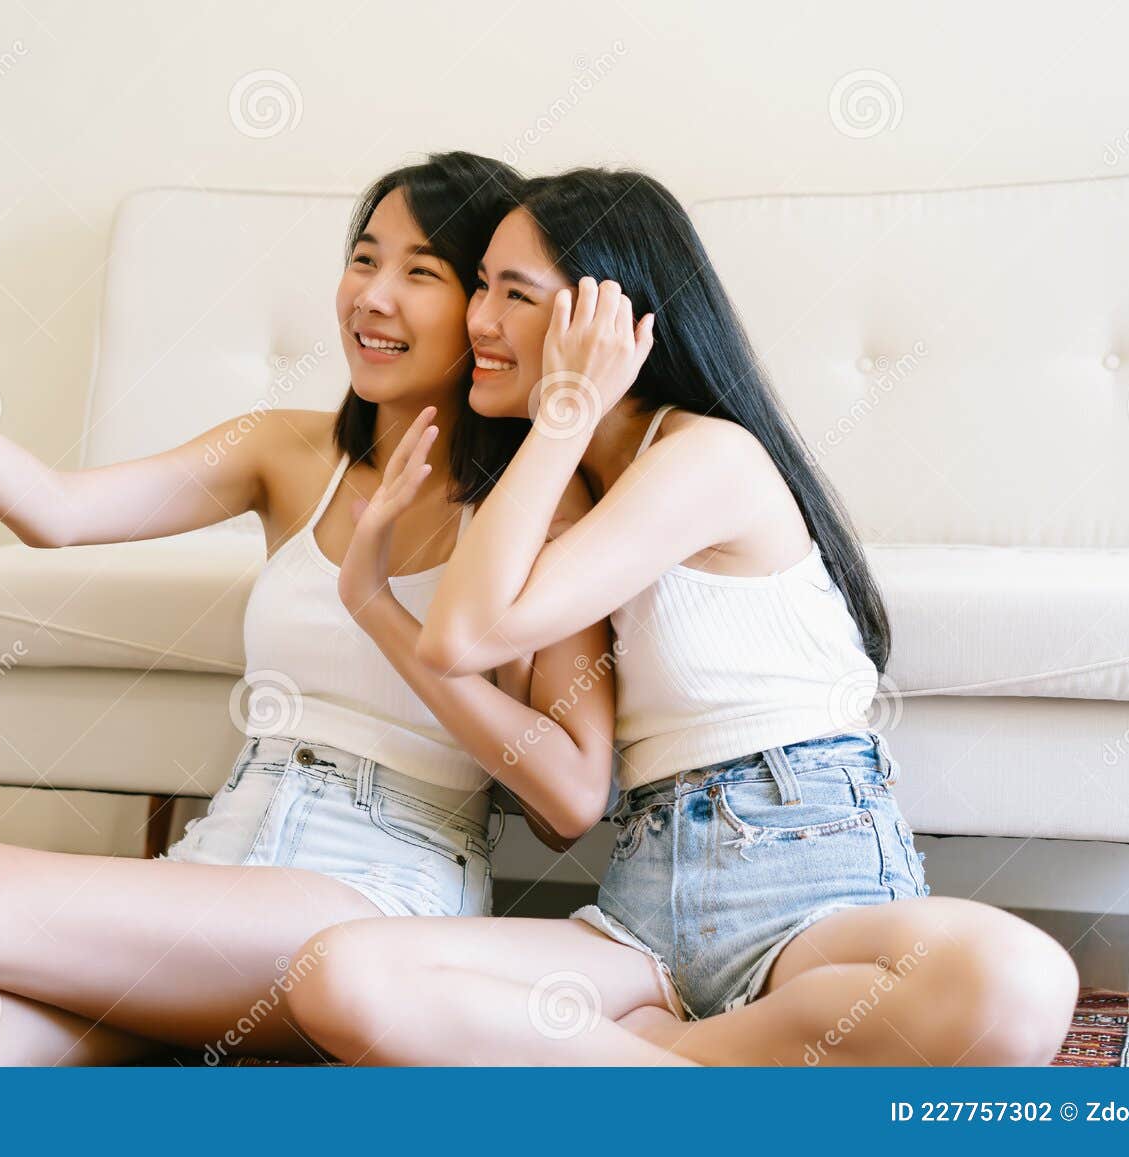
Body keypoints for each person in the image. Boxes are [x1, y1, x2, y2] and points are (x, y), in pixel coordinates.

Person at [0, 154, 619, 1067]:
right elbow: (58, 509)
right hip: (222, 854)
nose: (372, 296)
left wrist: (384, 612)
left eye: (422, 274)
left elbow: (569, 798)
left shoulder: (541, 503)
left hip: (379, 888)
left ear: (486, 312)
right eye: (363, 259)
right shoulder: (288, 450)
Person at [288, 168, 1081, 1066]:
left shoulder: (712, 458)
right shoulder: (564, 488)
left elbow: (465, 635)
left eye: (516, 293)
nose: (479, 321)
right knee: (338, 970)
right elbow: (464, 639)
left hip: (803, 894)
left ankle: (661, 1061)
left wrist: (567, 405)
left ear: (614, 320)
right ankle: (708, 1067)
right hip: (639, 919)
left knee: (1017, 984)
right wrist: (387, 585)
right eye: (480, 286)